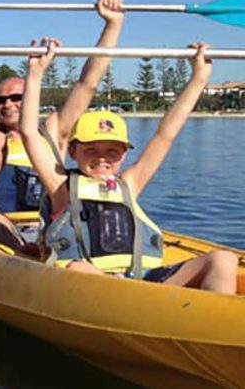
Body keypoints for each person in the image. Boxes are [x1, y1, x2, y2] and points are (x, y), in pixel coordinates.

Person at [20, 40, 238, 294]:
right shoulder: (62, 188)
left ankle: (212, 324)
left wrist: (199, 77)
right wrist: (35, 74)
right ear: (73, 152)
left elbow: (165, 135)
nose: (102, 158)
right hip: (89, 284)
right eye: (91, 150)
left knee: (223, 259)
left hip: (141, 282)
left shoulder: (129, 184)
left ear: (123, 154)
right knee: (77, 268)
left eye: (112, 151)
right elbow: (29, 134)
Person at [0, 0, 125, 252]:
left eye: (17, 97)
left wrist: (112, 25)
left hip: (51, 225)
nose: (7, 104)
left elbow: (88, 83)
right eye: (1, 100)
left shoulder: (54, 131)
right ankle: (20, 257)